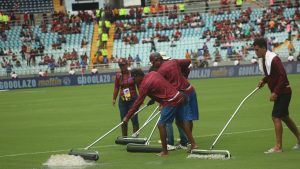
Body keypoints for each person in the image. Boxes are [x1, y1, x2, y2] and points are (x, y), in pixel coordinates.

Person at [122, 69, 186, 156]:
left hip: (170, 101)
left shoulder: (144, 85)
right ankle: (193, 144)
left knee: (161, 124)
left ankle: (165, 151)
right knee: (180, 122)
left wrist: (127, 117)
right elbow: (159, 86)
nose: (134, 81)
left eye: (134, 79)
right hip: (178, 96)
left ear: (137, 76)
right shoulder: (153, 73)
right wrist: (153, 99)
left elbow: (138, 102)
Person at [254, 38, 300, 154]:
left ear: (264, 48)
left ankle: (278, 147)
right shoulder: (263, 59)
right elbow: (271, 75)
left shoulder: (274, 59)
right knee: (284, 117)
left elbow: (282, 76)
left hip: (284, 92)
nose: (256, 52)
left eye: (257, 49)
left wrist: (275, 92)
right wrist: (263, 81)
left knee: (276, 116)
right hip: (281, 92)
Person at [150, 52, 198, 151]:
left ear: (158, 60)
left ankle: (185, 143)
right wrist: (183, 74)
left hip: (179, 95)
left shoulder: (161, 71)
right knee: (183, 120)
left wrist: (159, 101)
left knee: (176, 120)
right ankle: (189, 142)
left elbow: (160, 88)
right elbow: (188, 61)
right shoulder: (174, 62)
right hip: (188, 90)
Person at [113, 58, 139, 137]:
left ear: (127, 64)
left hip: (133, 99)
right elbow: (116, 87)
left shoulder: (133, 73)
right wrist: (114, 98)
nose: (122, 67)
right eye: (120, 65)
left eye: (123, 65)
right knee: (123, 120)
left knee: (134, 118)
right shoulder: (118, 75)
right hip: (123, 100)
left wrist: (141, 96)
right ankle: (124, 138)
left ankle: (136, 137)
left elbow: (138, 85)